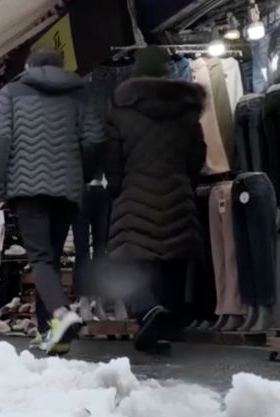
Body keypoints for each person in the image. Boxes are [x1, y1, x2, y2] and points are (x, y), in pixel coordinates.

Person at [0, 47, 105, 354]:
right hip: (67, 188)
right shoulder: (79, 92)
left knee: (40, 259)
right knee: (49, 259)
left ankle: (62, 315)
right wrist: (82, 173)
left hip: (27, 188)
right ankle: (47, 331)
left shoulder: (11, 92)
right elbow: (94, 139)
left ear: (28, 66)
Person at [102, 46, 206, 352]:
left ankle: (148, 313)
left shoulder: (121, 106)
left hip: (134, 195)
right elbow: (197, 153)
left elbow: (112, 154)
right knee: (171, 261)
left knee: (133, 263)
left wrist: (118, 186)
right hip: (176, 194)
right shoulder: (186, 107)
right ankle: (158, 330)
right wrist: (185, 180)